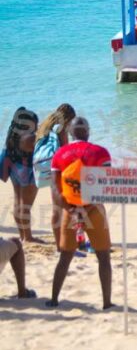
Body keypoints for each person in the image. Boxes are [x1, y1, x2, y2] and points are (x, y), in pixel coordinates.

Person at [46, 117, 114, 309]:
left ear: (70, 132)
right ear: (88, 131)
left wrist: (72, 211)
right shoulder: (100, 152)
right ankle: (107, 303)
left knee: (65, 257)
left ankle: (54, 299)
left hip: (69, 209)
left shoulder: (59, 154)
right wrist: (87, 209)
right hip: (94, 209)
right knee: (103, 256)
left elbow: (55, 189)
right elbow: (104, 186)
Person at [33, 104, 76, 246]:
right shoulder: (61, 131)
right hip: (61, 174)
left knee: (56, 209)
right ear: (68, 118)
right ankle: (64, 243)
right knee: (65, 210)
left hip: (49, 172)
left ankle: (59, 243)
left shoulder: (45, 128)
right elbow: (65, 153)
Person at [2, 108, 41, 243]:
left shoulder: (12, 136)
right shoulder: (30, 137)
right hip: (27, 171)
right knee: (26, 206)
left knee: (18, 202)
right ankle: (28, 237)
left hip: (14, 169)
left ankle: (23, 235)